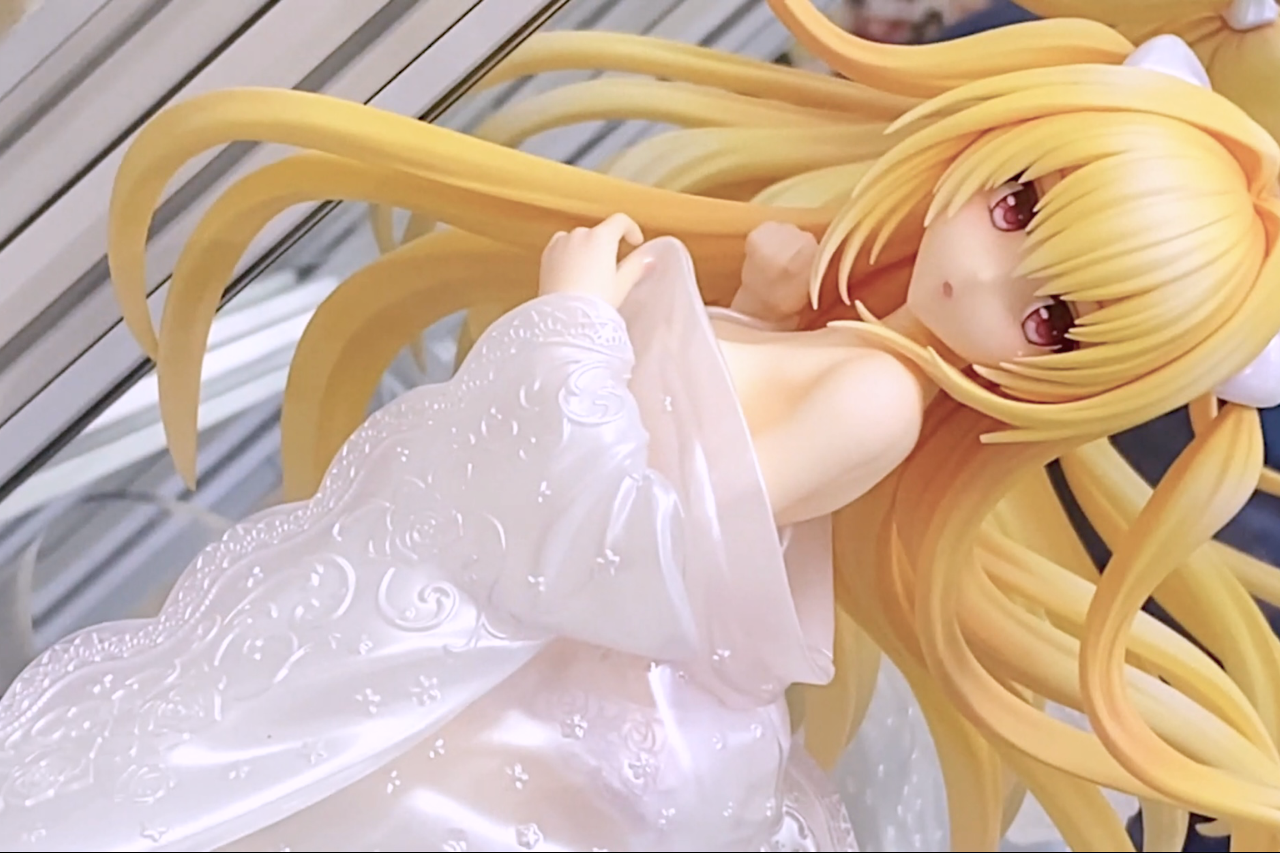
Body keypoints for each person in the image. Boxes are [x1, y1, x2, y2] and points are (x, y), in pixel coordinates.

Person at [3, 1, 1280, 849]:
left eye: (1050, 320)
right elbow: (708, 439)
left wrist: (574, 326)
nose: (983, 277)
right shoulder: (854, 349)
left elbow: (651, 546)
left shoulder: (879, 399)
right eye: (1015, 205)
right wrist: (760, 312)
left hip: (559, 698)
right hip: (544, 640)